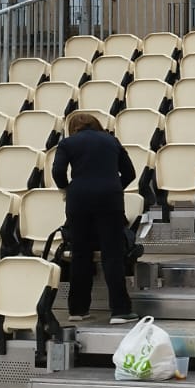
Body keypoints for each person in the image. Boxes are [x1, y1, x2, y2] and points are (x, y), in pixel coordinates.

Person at [51, 111, 137, 324]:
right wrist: (114, 186)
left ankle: (77, 310)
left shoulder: (68, 144)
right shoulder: (111, 140)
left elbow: (57, 171)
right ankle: (119, 310)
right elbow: (130, 173)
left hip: (78, 200)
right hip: (109, 200)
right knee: (112, 255)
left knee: (80, 255)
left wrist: (67, 188)